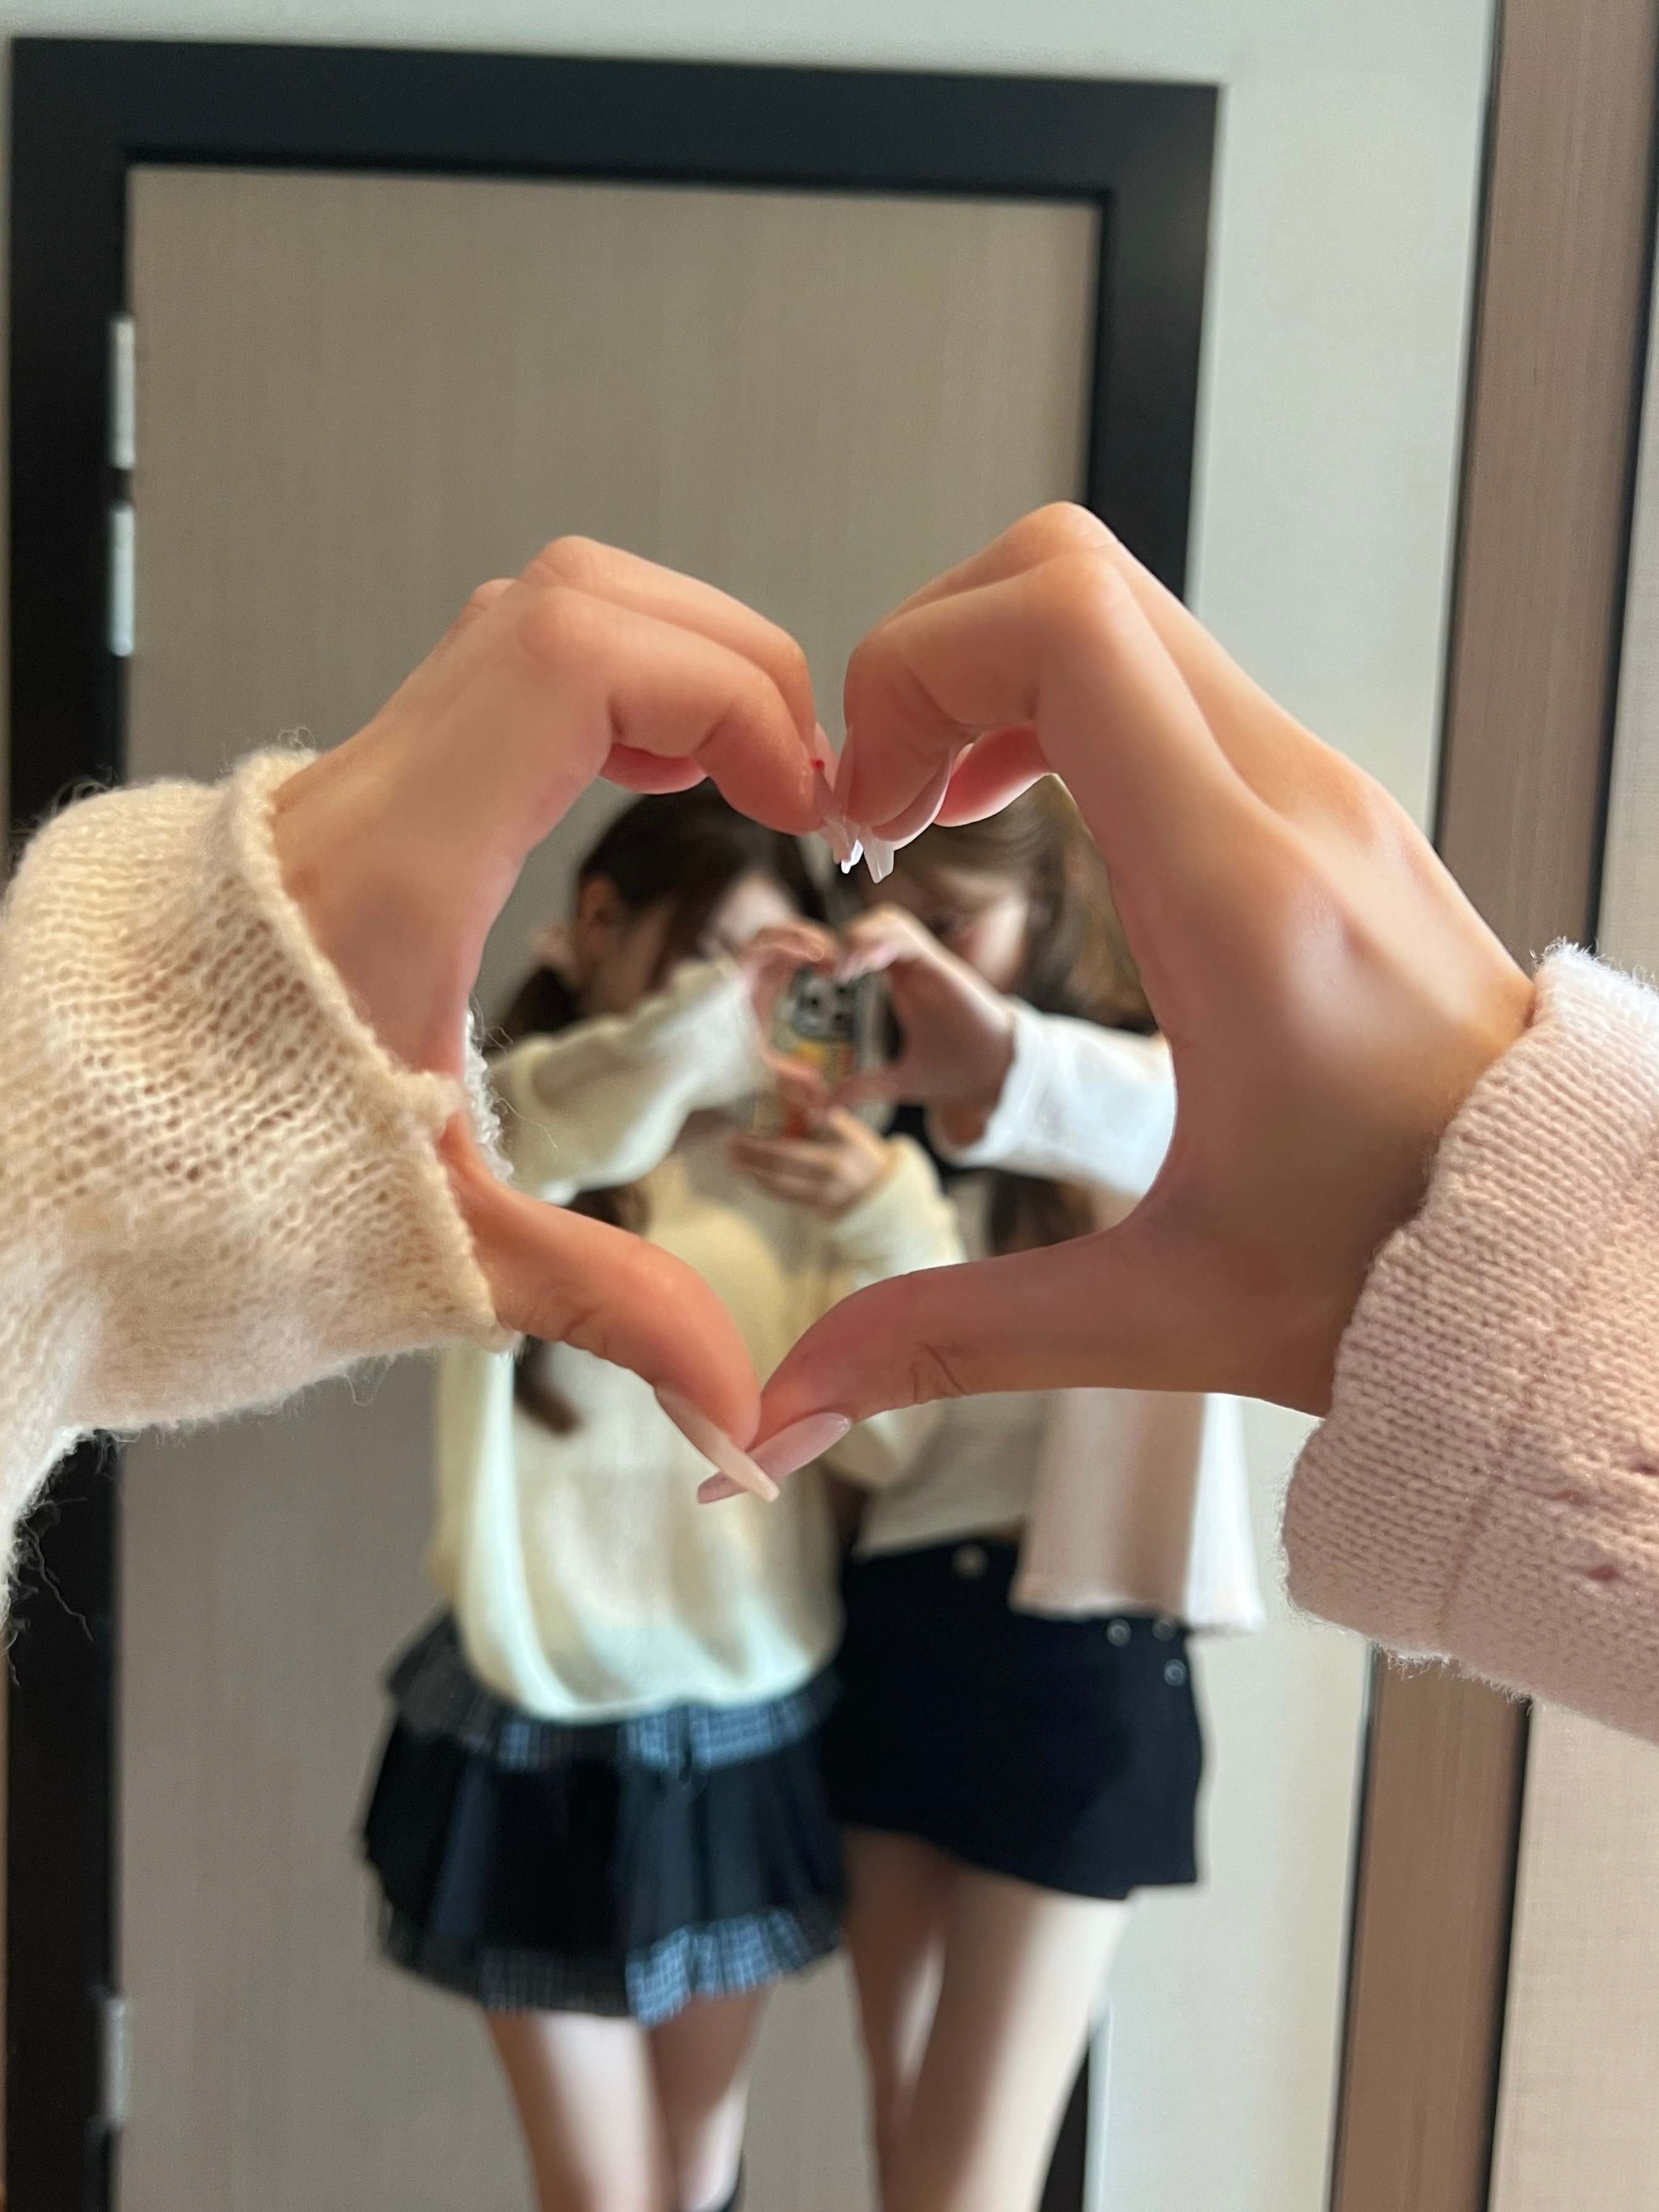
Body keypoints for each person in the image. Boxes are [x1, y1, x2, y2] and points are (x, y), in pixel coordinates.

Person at [2, 511, 1655, 1748]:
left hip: (871, 1667)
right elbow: (574, 1126)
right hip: (593, 1666)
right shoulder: (568, 1107)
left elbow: (880, 1419)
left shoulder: (969, 1121)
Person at [360, 786, 961, 2212]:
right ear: (594, 923)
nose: (740, 1010)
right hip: (534, 1710)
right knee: (600, 2192)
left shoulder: (802, 1180)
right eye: (710, 959)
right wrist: (725, 1015)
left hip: (737, 1716)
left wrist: (882, 1207)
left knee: (692, 2176)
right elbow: (569, 1116)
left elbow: (890, 1451)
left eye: (772, 975)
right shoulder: (506, 1133)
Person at [729, 781, 1261, 2211]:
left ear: (1050, 902)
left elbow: (1180, 1125)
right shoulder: (884, 1144)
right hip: (902, 1624)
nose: (913, 958)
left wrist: (995, 1050)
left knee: (966, 2180)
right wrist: (855, 1213)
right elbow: (860, 1448)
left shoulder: (1140, 1088)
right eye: (883, 927)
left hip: (1079, 1659)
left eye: (952, 922)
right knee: (902, 2140)